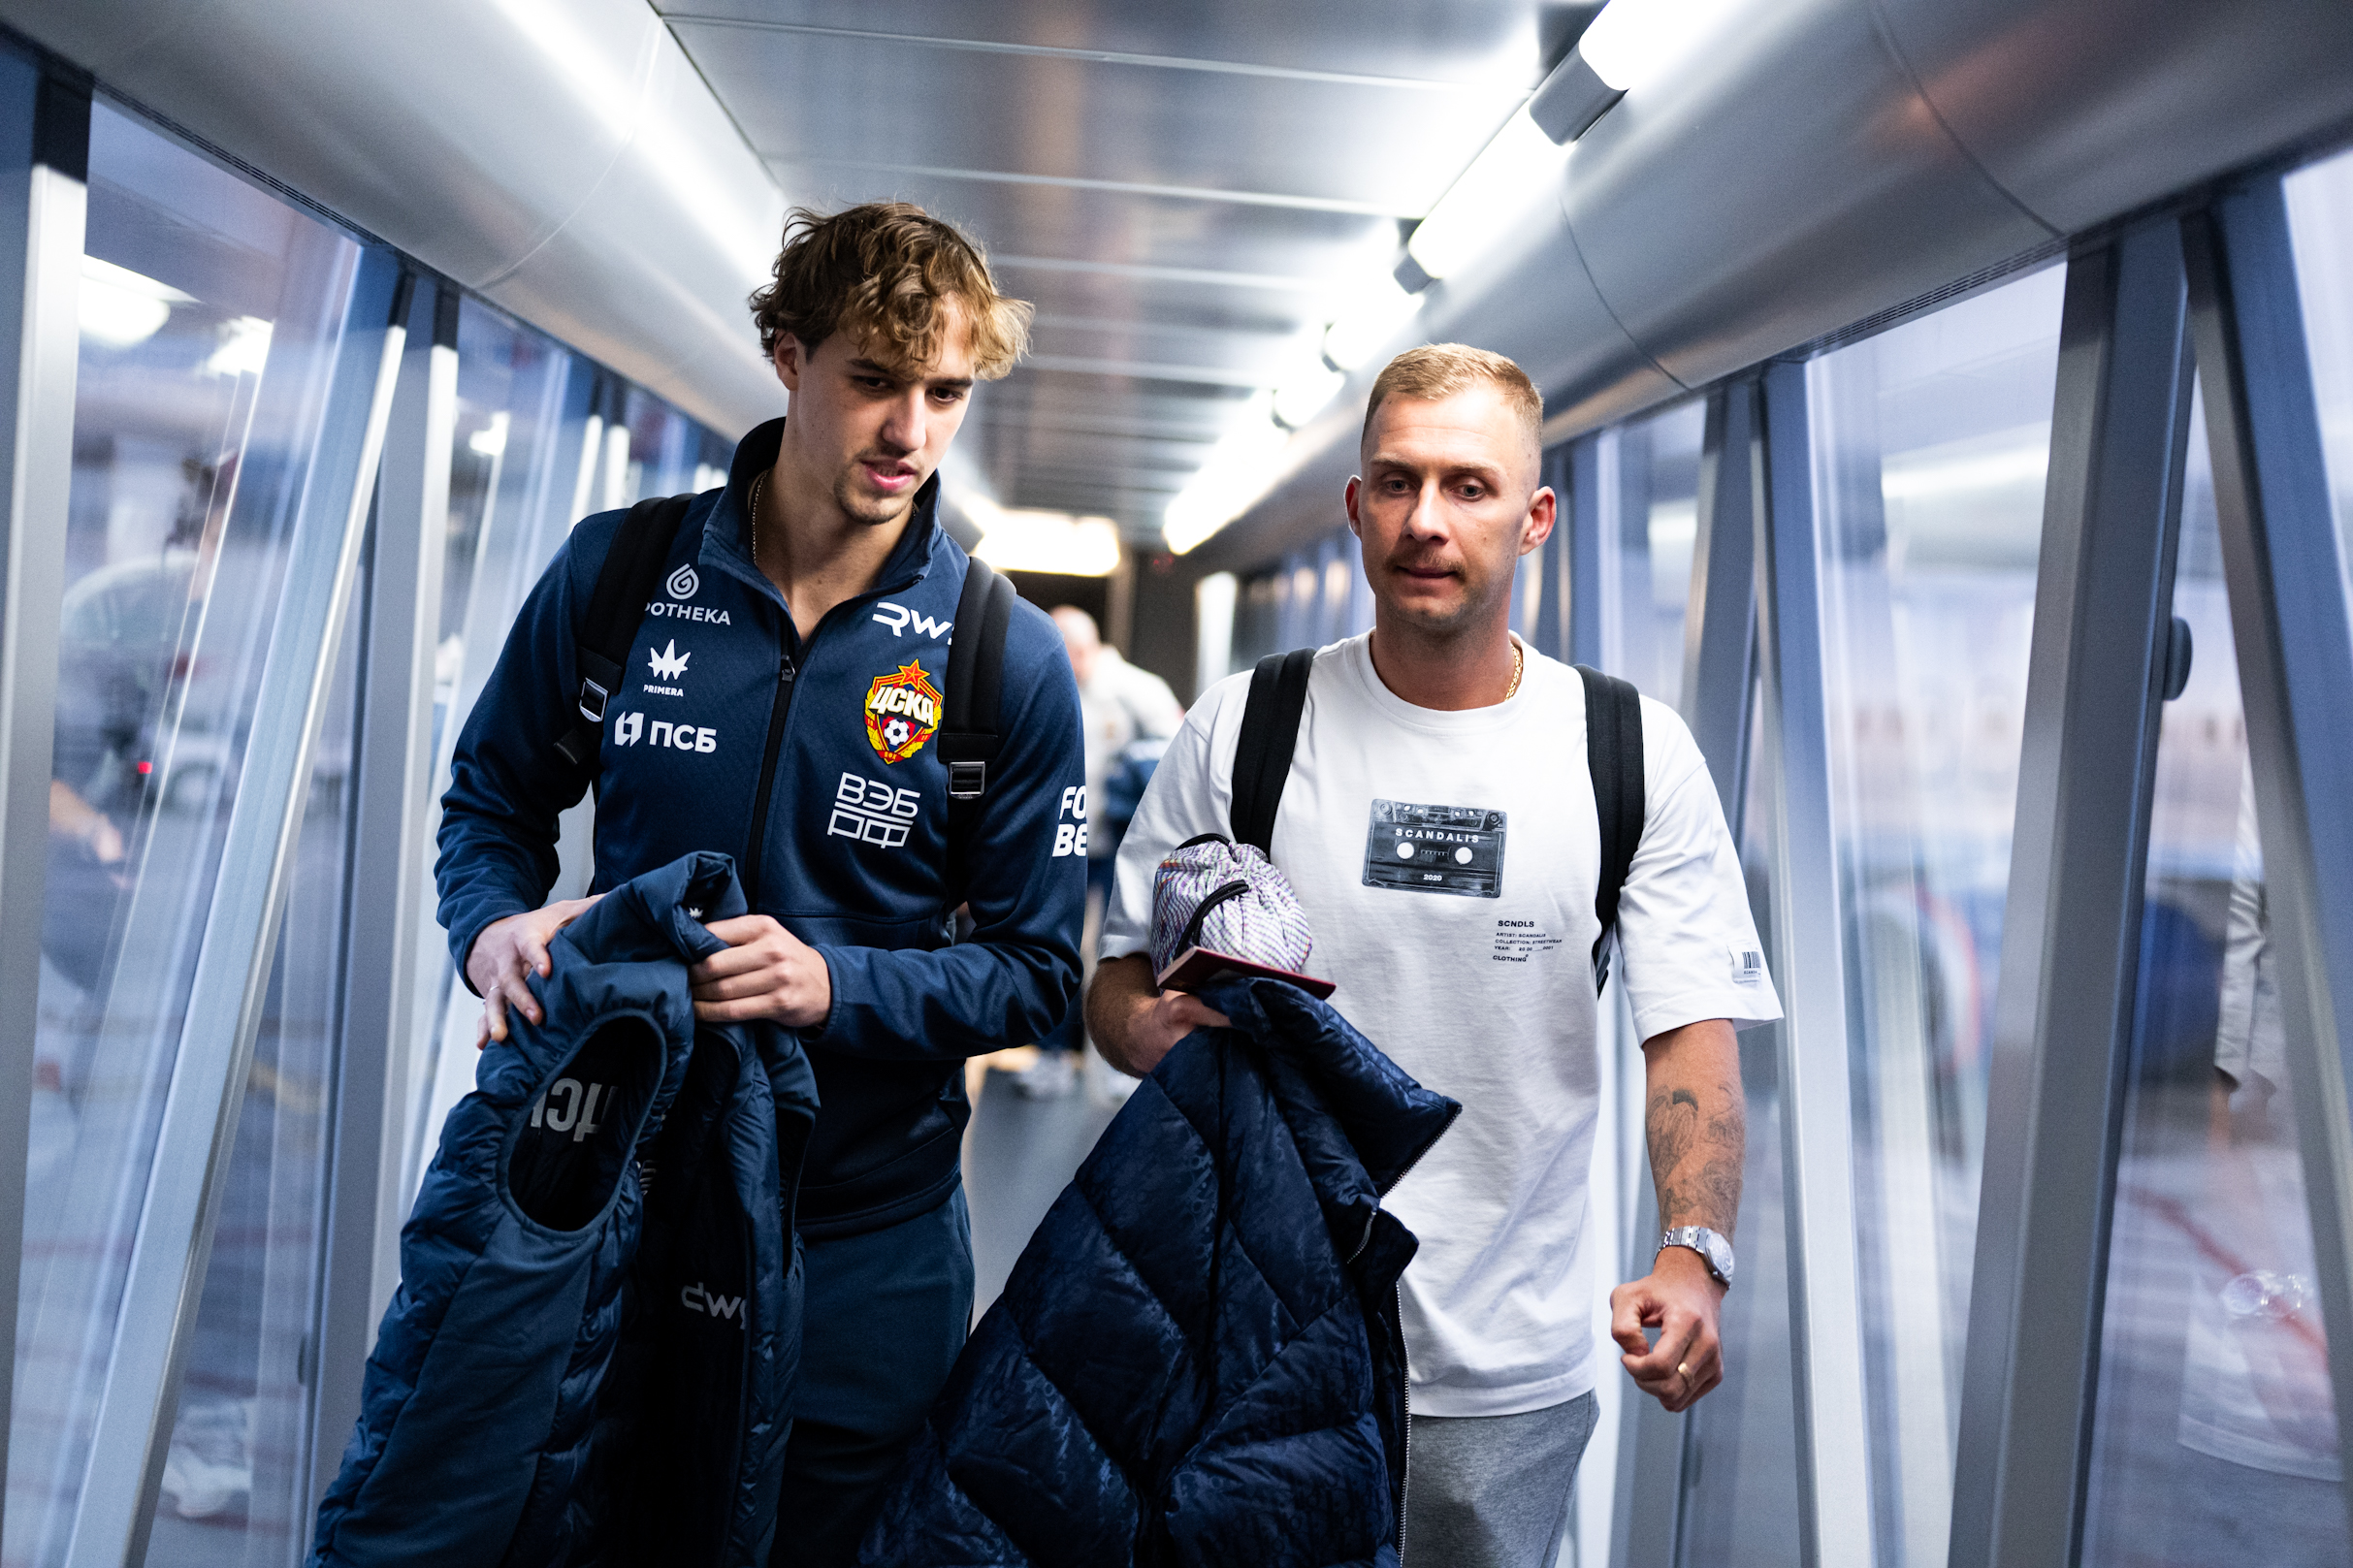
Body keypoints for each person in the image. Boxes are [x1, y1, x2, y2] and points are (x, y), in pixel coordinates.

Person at [435, 203, 1086, 1565]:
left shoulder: (1000, 656)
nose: (909, 430)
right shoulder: (620, 573)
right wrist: (491, 932)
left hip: (863, 1248)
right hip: (615, 1198)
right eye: (873, 379)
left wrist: (829, 986)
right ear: (787, 357)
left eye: (945, 392)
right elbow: (491, 801)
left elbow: (1035, 974)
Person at [1087, 344, 1781, 1567]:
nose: (1425, 519)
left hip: (1502, 1378)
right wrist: (1144, 1029)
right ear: (1355, 505)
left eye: (1468, 486)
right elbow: (1117, 976)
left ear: (1535, 518)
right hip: (1248, 1341)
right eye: (1398, 482)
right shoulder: (1246, 727)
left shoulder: (1627, 751)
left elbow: (1688, 1034)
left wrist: (1693, 1255)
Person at [1008, 606, 1184, 1099]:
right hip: (1067, 842)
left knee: (1123, 951)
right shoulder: (1048, 683)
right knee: (1056, 946)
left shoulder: (1136, 688)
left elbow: (1179, 751)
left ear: (1085, 648)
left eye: (1071, 651)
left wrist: (1134, 771)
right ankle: (1053, 1057)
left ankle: (1121, 1061)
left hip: (1123, 844)